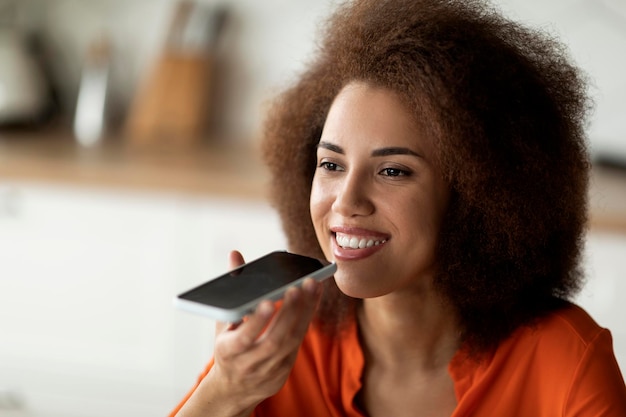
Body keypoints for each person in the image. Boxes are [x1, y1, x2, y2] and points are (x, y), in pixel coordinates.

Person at [169, 0, 626, 416]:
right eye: (331, 164)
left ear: (479, 193)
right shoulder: (279, 343)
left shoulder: (566, 364)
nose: (345, 202)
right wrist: (225, 392)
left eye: (393, 171)